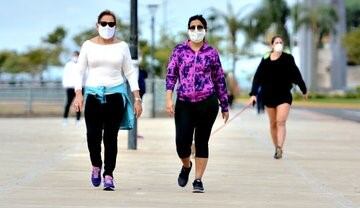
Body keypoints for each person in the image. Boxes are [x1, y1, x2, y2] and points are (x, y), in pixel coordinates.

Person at [73, 10, 142, 191]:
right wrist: (78, 94)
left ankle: (109, 175)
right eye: (103, 23)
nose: (107, 27)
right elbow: (79, 71)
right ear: (97, 25)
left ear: (115, 27)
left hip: (115, 97)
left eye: (111, 24)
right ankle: (96, 165)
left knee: (111, 138)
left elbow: (130, 72)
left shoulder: (122, 46)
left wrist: (137, 98)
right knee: (92, 136)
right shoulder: (88, 45)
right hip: (93, 97)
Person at [165, 15, 229, 193]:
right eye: (192, 27)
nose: (196, 30)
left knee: (202, 141)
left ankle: (198, 180)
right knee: (181, 143)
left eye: (199, 27)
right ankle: (186, 165)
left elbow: (219, 79)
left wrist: (224, 105)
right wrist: (169, 98)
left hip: (207, 103)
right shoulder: (179, 51)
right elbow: (171, 76)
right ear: (188, 30)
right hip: (184, 103)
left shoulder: (211, 52)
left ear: (205, 30)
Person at [248, 35, 308, 159]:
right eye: (276, 42)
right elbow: (257, 77)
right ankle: (276, 147)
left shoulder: (288, 58)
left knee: (281, 122)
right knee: (273, 123)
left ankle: (280, 147)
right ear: (272, 45)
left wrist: (303, 89)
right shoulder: (265, 59)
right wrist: (253, 94)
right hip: (268, 95)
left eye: (281, 42)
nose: (279, 44)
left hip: (284, 95)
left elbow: (296, 74)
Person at [62, 51, 81, 125]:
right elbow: (65, 75)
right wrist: (65, 85)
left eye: (77, 55)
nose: (75, 57)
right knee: (68, 103)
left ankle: (78, 120)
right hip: (70, 86)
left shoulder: (81, 64)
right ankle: (65, 119)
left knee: (78, 104)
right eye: (74, 55)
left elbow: (85, 76)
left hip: (79, 87)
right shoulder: (68, 65)